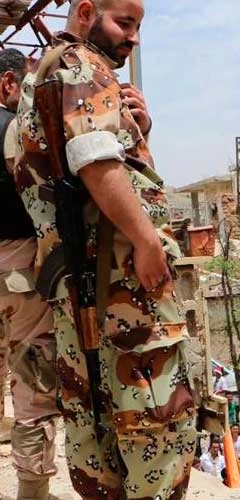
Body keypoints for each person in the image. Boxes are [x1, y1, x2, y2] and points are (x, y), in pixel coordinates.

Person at [11, 2, 198, 498]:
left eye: (139, 26)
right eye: (125, 23)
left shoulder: (45, 72)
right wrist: (146, 240)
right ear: (87, 12)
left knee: (95, 422)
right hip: (120, 287)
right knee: (156, 423)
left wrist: (137, 133)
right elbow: (94, 163)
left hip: (80, 285)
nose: (133, 38)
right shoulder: (81, 66)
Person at [0, 47, 61, 500]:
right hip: (18, 266)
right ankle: (32, 492)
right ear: (8, 84)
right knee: (33, 386)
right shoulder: (15, 131)